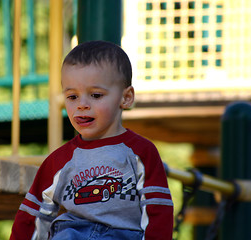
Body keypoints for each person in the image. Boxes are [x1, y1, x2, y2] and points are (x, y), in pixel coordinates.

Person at [10, 40, 174, 240]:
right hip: (72, 233)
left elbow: (157, 209)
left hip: (121, 235)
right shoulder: (59, 160)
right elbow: (34, 213)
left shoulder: (140, 151)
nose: (82, 105)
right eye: (72, 97)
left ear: (126, 98)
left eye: (95, 95)